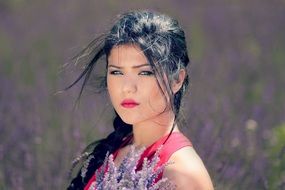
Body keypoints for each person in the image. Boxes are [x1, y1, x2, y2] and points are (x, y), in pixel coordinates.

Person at [66, 10, 214, 190]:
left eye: (145, 72)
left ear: (177, 80)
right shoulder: (119, 149)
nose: (127, 87)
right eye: (117, 72)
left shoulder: (182, 175)